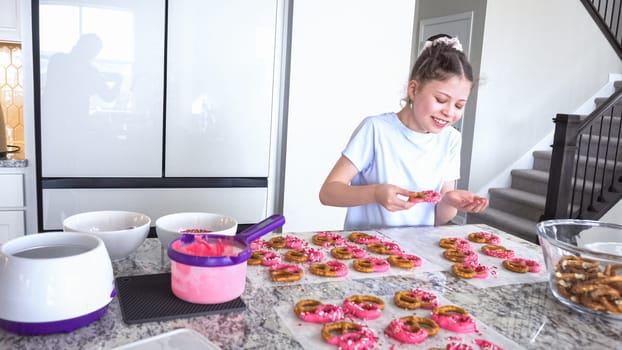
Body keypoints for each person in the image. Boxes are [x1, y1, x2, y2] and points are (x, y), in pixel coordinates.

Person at [319, 34, 488, 230]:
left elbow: (438, 219)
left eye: (459, 105)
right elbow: (328, 192)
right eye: (441, 100)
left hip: (415, 253)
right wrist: (375, 193)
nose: (450, 112)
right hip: (365, 252)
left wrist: (450, 201)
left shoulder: (451, 139)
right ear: (414, 90)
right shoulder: (376, 130)